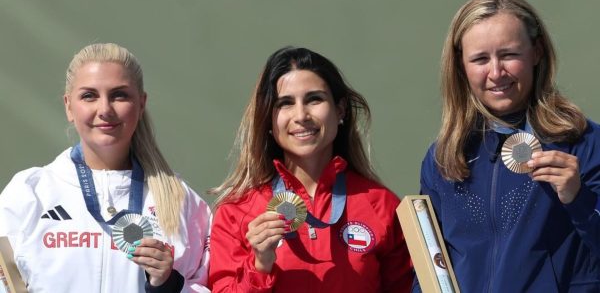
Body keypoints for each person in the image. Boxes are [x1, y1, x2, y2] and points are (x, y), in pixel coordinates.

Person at [419, 0, 600, 292]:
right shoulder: (445, 158)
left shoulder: (584, 144)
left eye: (509, 54)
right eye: (480, 59)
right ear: (461, 66)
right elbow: (428, 268)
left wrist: (579, 199)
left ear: (537, 52)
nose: (495, 72)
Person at [0, 43, 211, 292]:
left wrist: (168, 285)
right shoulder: (29, 193)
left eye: (119, 95)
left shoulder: (182, 202)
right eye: (89, 96)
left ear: (141, 104)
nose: (105, 110)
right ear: (69, 106)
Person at [208, 46, 412, 292]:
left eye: (314, 99)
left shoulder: (381, 205)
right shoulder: (236, 211)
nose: (301, 115)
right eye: (285, 103)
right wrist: (260, 264)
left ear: (340, 109)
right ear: (269, 120)